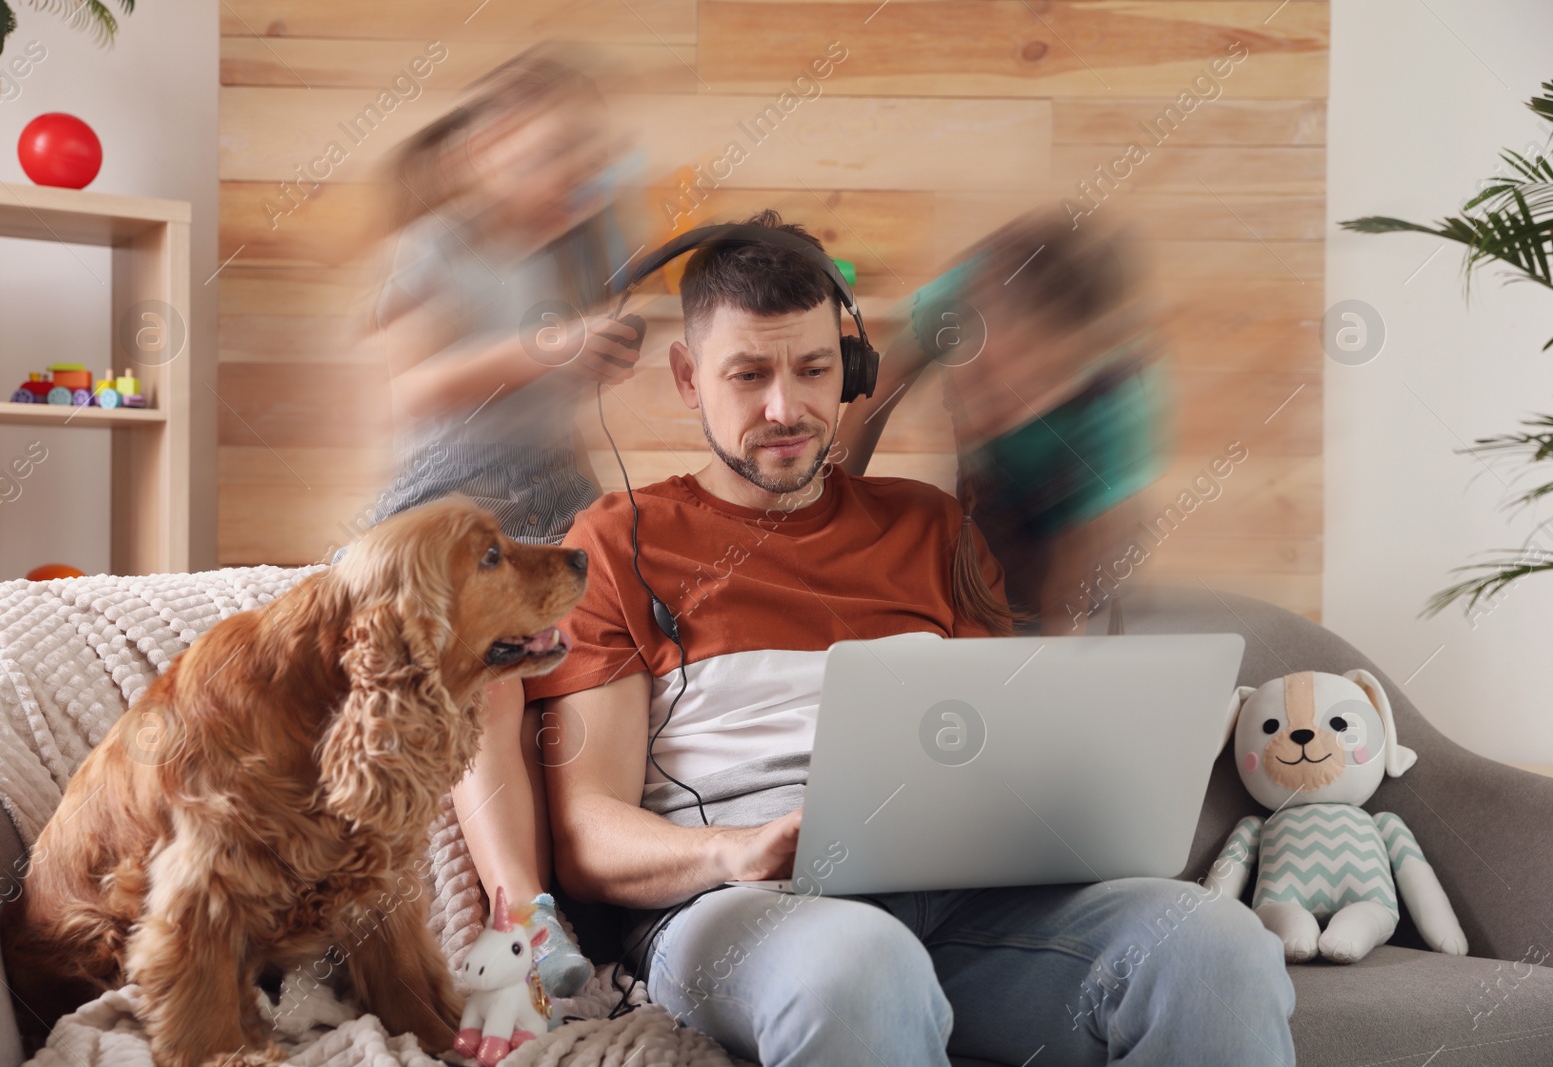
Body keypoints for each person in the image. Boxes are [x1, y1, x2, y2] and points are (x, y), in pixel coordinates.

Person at [522, 210, 1294, 1066]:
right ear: (686, 377)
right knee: (863, 959)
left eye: (814, 369)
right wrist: (731, 849)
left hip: (958, 904)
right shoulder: (615, 540)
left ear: (850, 367)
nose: (786, 408)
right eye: (747, 375)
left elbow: (1008, 741)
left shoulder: (934, 531)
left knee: (1215, 944)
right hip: (741, 911)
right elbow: (588, 833)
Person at [332, 47, 643, 997]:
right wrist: (553, 344)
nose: (565, 178)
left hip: (555, 496)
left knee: (614, 647)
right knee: (496, 668)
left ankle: (618, 896)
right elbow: (414, 385)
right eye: (545, 155)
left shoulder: (576, 250)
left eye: (577, 158)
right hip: (450, 506)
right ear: (485, 150)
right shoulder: (434, 248)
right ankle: (521, 910)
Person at [836, 212, 1172, 635]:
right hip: (995, 478)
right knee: (964, 574)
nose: (999, 410)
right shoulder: (954, 300)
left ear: (1073, 372)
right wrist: (826, 525)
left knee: (1031, 618)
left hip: (1073, 498)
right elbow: (875, 397)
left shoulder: (1119, 413)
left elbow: (1065, 604)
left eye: (1034, 388)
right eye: (986, 376)